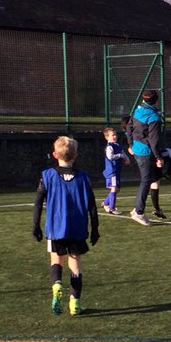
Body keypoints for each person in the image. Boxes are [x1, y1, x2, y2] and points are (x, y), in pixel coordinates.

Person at [32, 135, 99, 315]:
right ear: (76, 155)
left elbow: (38, 202)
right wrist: (95, 229)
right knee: (75, 263)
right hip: (77, 228)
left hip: (55, 228)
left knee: (56, 259)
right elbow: (92, 205)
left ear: (54, 154)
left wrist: (35, 226)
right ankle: (75, 304)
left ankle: (57, 285)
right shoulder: (84, 177)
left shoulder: (47, 176)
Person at [126, 89, 163, 226]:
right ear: (156, 99)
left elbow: (129, 127)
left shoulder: (138, 110)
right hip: (145, 152)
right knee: (146, 180)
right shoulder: (154, 117)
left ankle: (138, 208)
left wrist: (130, 144)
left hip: (136, 149)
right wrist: (158, 157)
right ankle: (138, 212)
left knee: (149, 179)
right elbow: (154, 140)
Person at [101, 125, 131, 214]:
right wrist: (121, 156)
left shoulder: (117, 145)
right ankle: (112, 209)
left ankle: (106, 203)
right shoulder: (109, 146)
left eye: (115, 135)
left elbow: (123, 153)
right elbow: (110, 157)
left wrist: (127, 159)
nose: (115, 136)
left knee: (117, 189)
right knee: (114, 188)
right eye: (112, 135)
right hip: (112, 171)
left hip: (117, 170)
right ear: (107, 137)